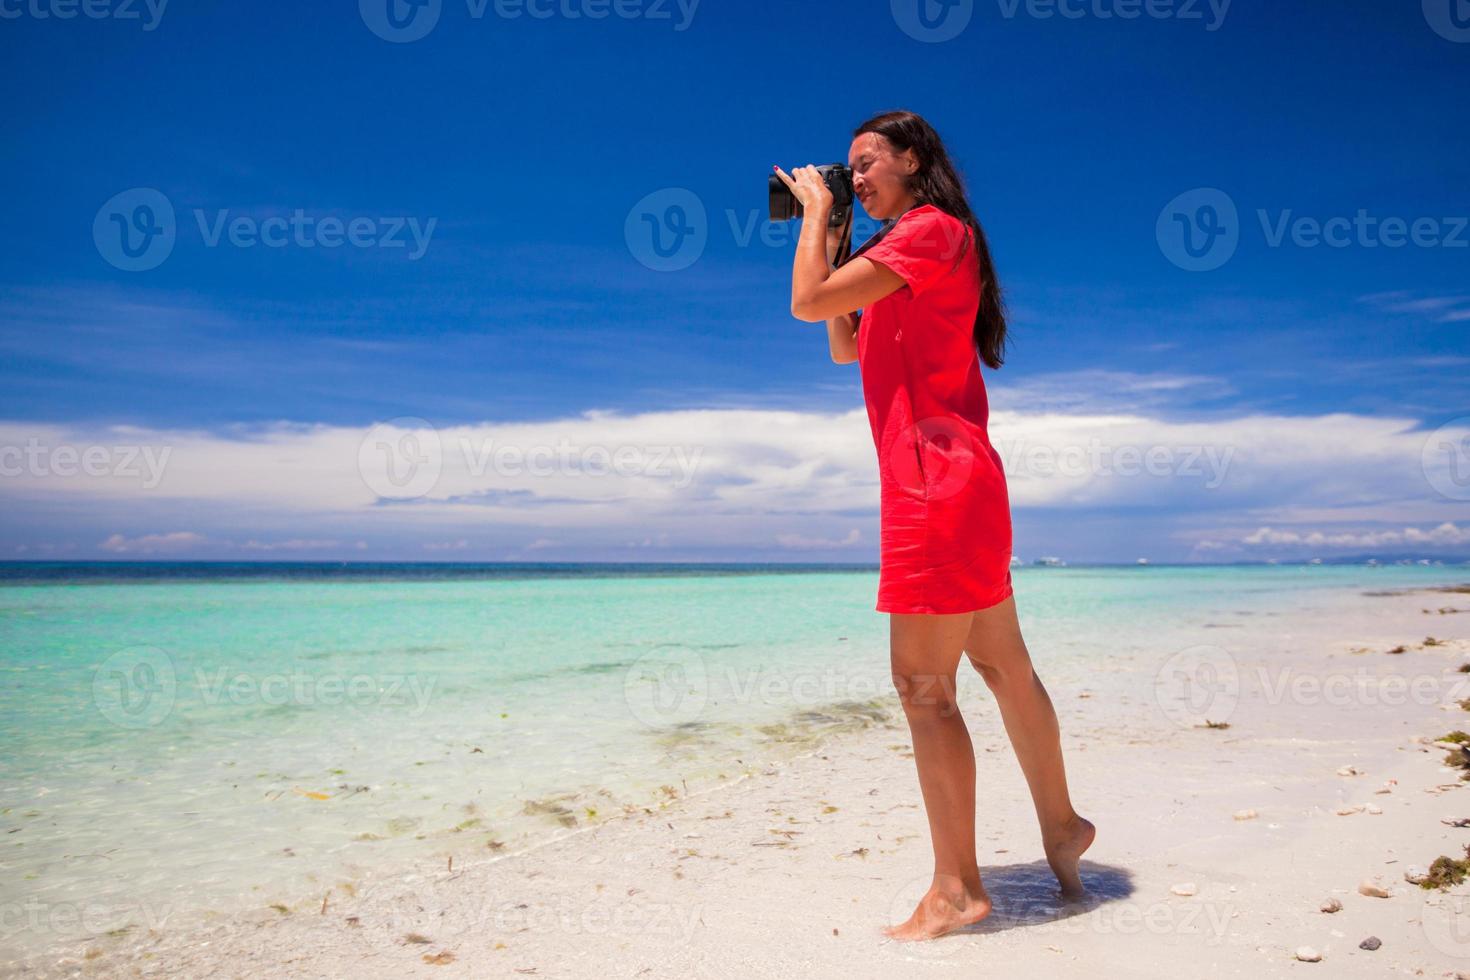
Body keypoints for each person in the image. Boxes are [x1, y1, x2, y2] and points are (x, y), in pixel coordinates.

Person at [774, 109, 1094, 942]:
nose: (854, 179)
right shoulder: (907, 254)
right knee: (1005, 669)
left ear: (914, 160)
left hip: (931, 490)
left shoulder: (929, 230)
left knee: (924, 690)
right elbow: (845, 341)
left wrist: (813, 217)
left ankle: (957, 888)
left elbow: (807, 303)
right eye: (846, 171)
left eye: (865, 164)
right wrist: (839, 232)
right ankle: (1062, 827)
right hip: (962, 485)